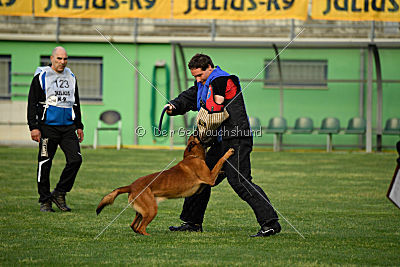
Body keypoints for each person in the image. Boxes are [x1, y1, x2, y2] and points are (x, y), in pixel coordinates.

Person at [165, 53, 281, 237]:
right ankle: (192, 223)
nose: (197, 79)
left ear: (209, 67)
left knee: (240, 181)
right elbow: (190, 97)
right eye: (194, 76)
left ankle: (271, 223)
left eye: (199, 75)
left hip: (236, 139)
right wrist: (174, 105)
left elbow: (217, 103)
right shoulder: (204, 84)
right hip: (220, 142)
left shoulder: (223, 80)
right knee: (200, 178)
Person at [27, 46, 84, 212]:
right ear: (52, 59)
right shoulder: (41, 76)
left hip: (68, 128)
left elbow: (76, 102)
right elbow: (31, 103)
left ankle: (59, 192)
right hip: (47, 128)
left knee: (76, 160)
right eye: (59, 58)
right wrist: (34, 127)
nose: (62, 62)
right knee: (45, 163)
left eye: (65, 59)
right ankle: (45, 200)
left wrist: (79, 125)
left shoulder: (71, 77)